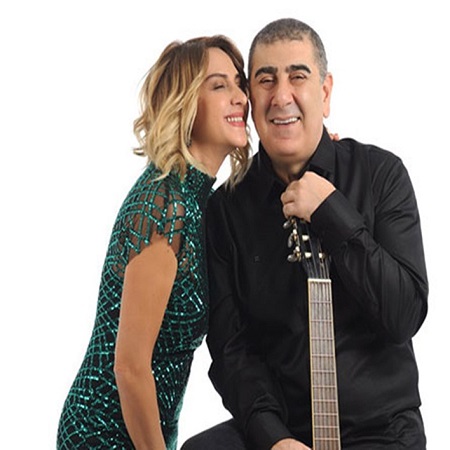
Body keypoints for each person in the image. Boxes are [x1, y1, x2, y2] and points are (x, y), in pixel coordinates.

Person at [181, 18, 428, 450]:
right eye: (266, 80)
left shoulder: (381, 175)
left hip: (381, 429)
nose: (281, 96)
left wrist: (333, 214)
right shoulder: (225, 210)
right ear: (250, 98)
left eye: (298, 76)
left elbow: (404, 315)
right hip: (285, 429)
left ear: (325, 93)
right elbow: (232, 350)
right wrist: (275, 439)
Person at [57, 34, 251, 450]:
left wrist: (321, 157)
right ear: (186, 104)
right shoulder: (166, 205)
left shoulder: (197, 199)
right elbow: (129, 367)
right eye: (219, 86)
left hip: (145, 434)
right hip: (102, 435)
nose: (240, 97)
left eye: (240, 83)